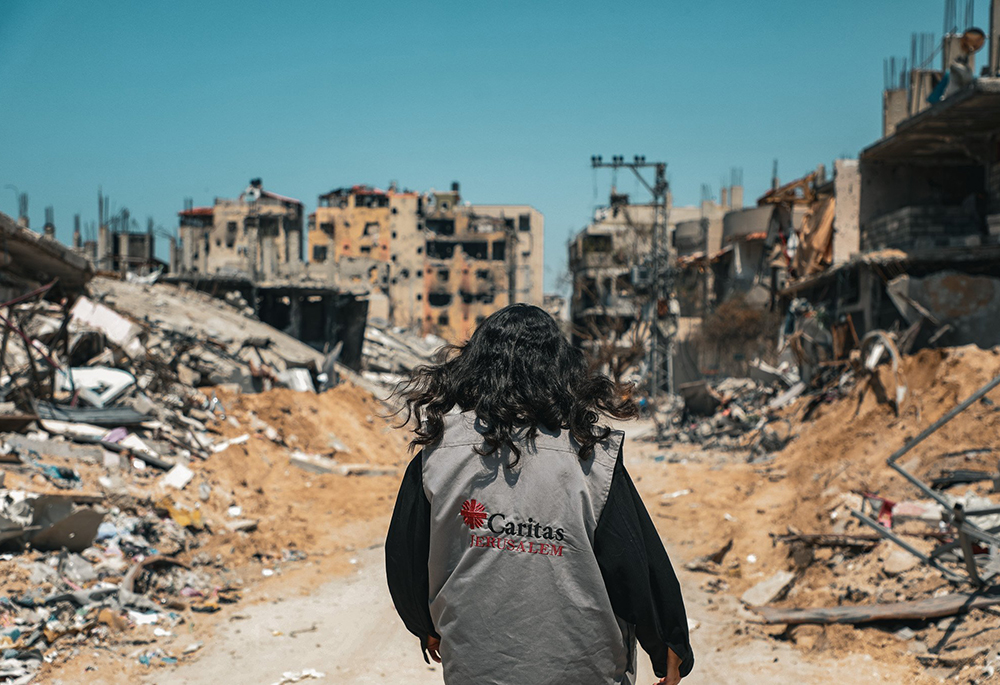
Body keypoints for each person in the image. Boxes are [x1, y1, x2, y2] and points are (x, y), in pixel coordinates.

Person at [385, 304, 693, 685]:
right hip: (584, 668)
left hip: (476, 668)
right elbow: (634, 562)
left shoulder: (437, 454)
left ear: (475, 367)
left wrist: (423, 623)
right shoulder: (589, 456)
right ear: (559, 370)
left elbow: (405, 556)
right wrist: (667, 641)